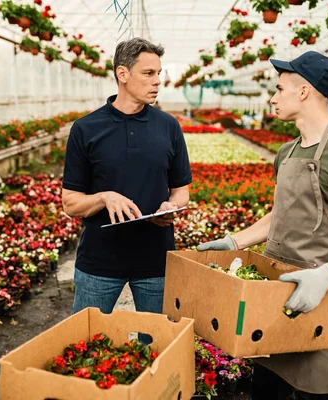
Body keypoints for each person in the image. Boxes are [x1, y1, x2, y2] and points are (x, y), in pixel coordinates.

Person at [197, 51, 328, 399]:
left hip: (322, 295)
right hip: (275, 292)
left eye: (279, 89)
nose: (273, 98)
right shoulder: (286, 152)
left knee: (313, 389)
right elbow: (281, 214)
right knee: (268, 387)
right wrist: (234, 242)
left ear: (303, 91)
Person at [61, 38, 192, 333]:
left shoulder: (168, 126)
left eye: (159, 73)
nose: (158, 81)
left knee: (158, 347)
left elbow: (181, 190)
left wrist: (172, 206)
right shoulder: (86, 129)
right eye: (148, 74)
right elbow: (70, 203)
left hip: (157, 263)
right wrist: (104, 197)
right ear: (123, 74)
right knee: (85, 341)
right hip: (99, 263)